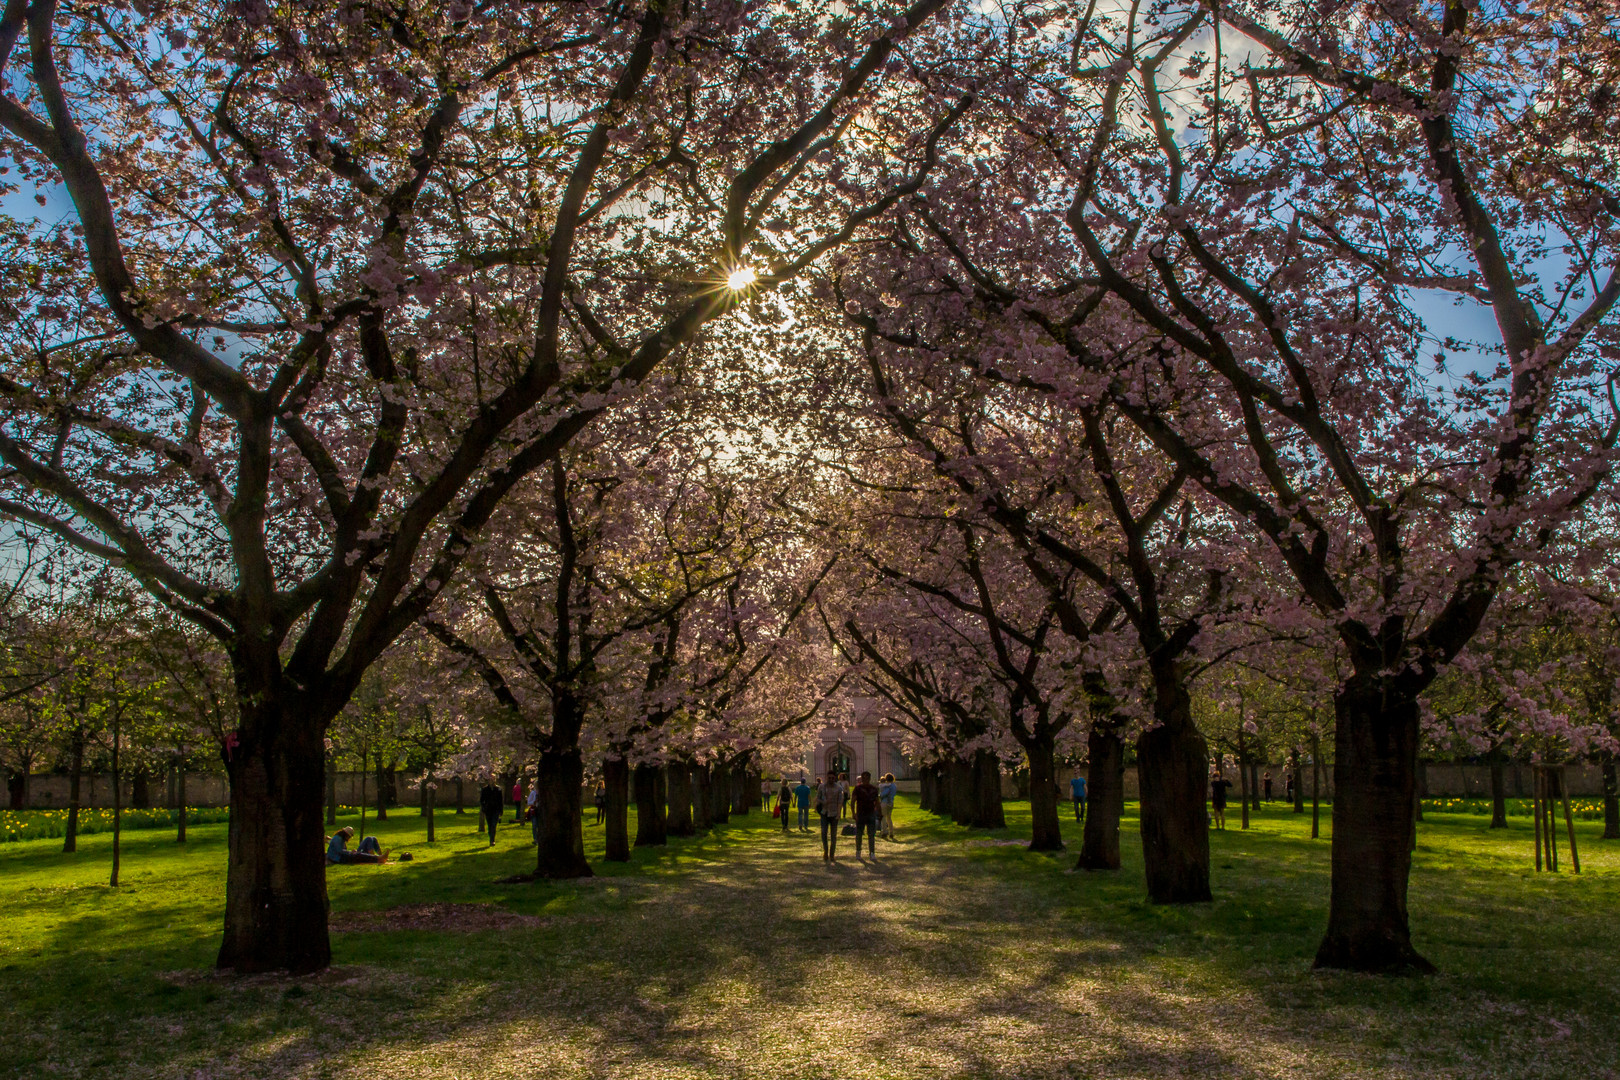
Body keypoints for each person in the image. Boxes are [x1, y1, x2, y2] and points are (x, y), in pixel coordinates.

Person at [817, 772, 847, 862]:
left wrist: (838, 813)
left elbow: (840, 802)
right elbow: (818, 798)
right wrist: (823, 802)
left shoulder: (838, 788)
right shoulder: (821, 787)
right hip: (824, 812)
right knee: (824, 833)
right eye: (829, 778)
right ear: (827, 777)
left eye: (832, 778)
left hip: (834, 813)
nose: (830, 780)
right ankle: (825, 850)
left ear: (835, 779)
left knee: (833, 835)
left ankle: (832, 853)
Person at [851, 771, 881, 859]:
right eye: (864, 778)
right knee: (859, 833)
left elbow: (877, 801)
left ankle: (872, 852)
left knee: (871, 834)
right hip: (861, 813)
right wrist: (853, 813)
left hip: (870, 813)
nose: (865, 780)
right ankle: (858, 851)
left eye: (867, 778)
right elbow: (853, 801)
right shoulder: (858, 789)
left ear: (869, 779)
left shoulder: (873, 789)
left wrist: (878, 811)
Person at [479, 782, 503, 846]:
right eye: (491, 779)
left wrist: (501, 811)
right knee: (490, 825)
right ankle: (491, 837)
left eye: (493, 779)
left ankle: (492, 840)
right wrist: (484, 807)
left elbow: (500, 800)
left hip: (496, 809)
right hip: (488, 810)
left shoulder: (498, 789)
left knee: (493, 825)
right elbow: (481, 800)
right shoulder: (485, 789)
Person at [878, 773, 898, 839]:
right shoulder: (894, 786)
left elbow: (884, 794)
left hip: (884, 802)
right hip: (891, 802)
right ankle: (891, 832)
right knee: (889, 818)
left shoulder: (887, 786)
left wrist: (880, 795)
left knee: (883, 817)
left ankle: (884, 832)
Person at [526, 780, 540, 845]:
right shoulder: (533, 793)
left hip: (540, 810)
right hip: (534, 810)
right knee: (534, 825)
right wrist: (533, 803)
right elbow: (529, 802)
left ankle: (539, 838)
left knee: (539, 825)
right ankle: (535, 839)